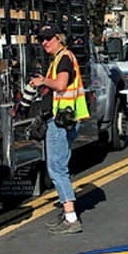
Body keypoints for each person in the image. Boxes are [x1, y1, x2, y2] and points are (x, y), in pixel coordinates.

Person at [29, 24, 86, 235]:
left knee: (56, 167)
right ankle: (68, 213)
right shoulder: (60, 59)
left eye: (48, 38)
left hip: (61, 121)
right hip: (65, 119)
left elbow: (61, 84)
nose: (44, 43)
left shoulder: (63, 58)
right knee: (59, 165)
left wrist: (43, 81)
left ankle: (71, 217)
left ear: (58, 38)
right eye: (41, 39)